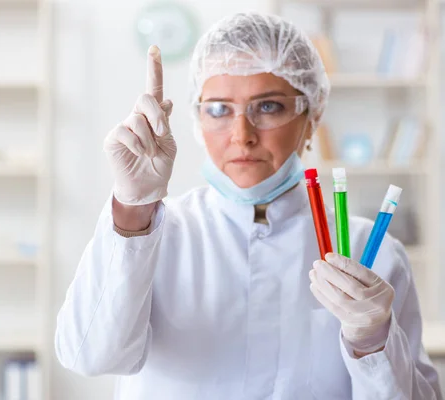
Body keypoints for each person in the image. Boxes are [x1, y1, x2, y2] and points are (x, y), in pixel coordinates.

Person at [55, 12, 442, 400]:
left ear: (311, 117)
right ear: (196, 117)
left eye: (269, 107)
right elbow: (91, 357)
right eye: (220, 109)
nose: (243, 135)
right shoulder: (153, 232)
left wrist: (373, 342)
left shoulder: (366, 252)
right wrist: (132, 208)